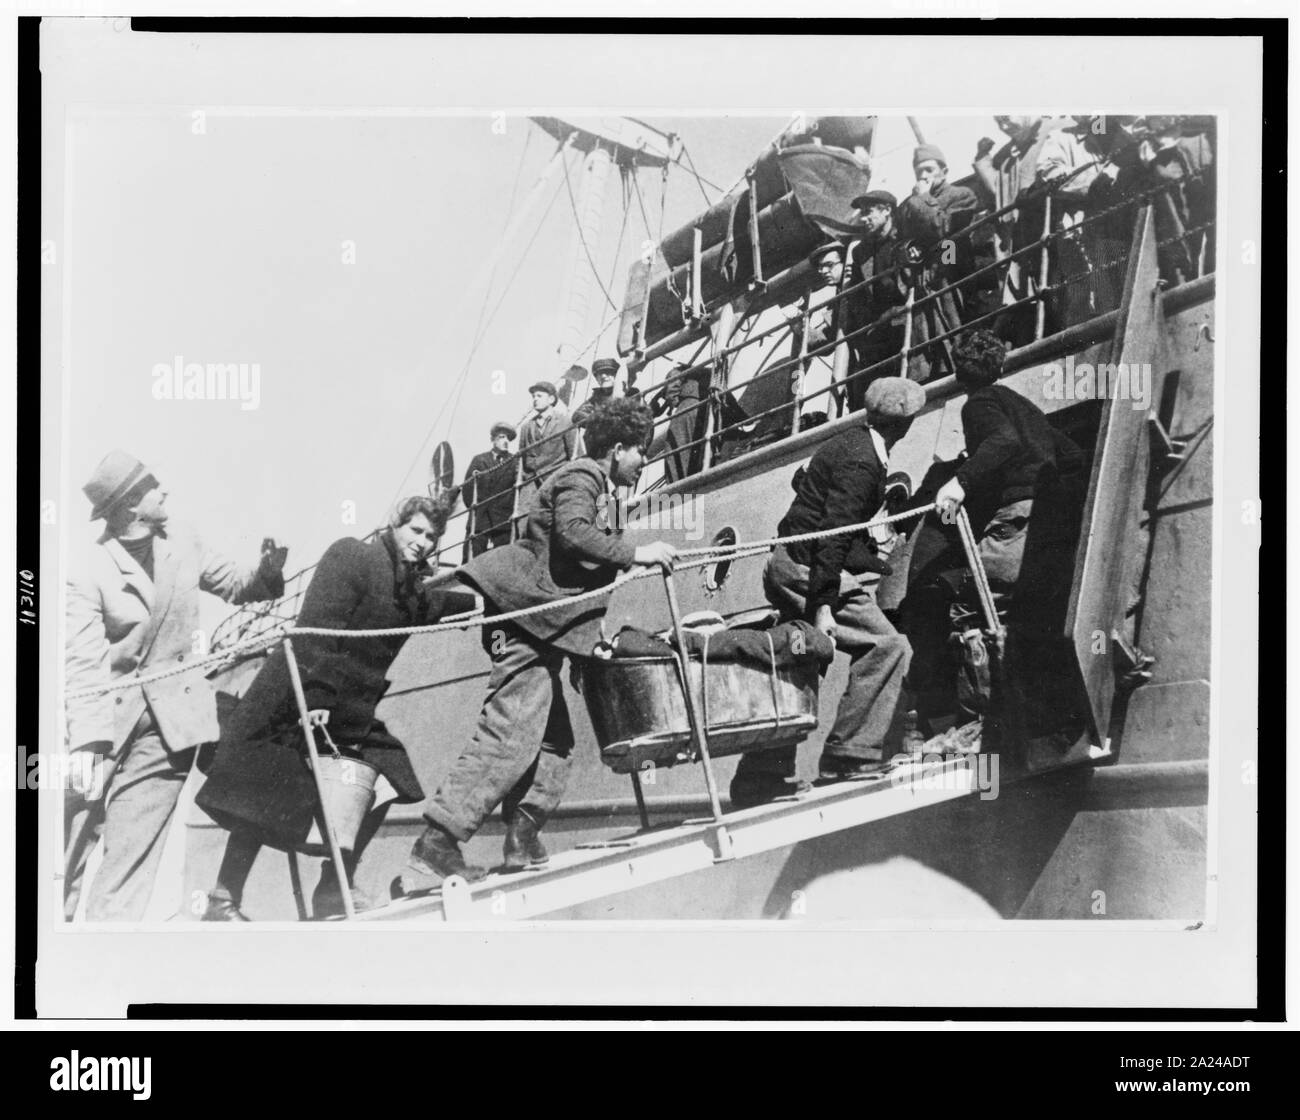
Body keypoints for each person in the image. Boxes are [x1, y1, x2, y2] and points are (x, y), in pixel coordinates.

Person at [400, 398, 678, 888]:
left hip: (542, 625)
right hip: (522, 618)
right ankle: (438, 842)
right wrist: (640, 553)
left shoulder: (594, 484)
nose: (643, 463)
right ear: (618, 449)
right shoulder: (583, 477)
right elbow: (572, 536)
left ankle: (520, 839)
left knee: (553, 741)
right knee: (511, 731)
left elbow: (575, 574)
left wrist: (579, 641)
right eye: (640, 452)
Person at [195, 496, 473, 919]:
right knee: (261, 791)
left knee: (389, 776)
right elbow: (315, 630)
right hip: (297, 692)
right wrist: (318, 698)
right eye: (415, 531)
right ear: (395, 525)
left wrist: (481, 600)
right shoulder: (352, 556)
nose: (423, 543)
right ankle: (222, 898)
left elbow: (428, 607)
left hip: (351, 706)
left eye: (431, 537)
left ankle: (332, 886)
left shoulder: (406, 585)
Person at [64, 450, 286, 921]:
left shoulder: (183, 540)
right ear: (129, 507)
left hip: (168, 733)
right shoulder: (88, 568)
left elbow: (235, 584)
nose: (166, 491)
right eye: (153, 486)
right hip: (99, 729)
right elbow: (83, 664)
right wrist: (90, 746)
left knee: (129, 862)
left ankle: (107, 960)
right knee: (63, 858)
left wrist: (266, 573)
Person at [728, 377, 926, 808]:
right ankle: (849, 755)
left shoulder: (849, 441)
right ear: (906, 424)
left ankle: (759, 775)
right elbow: (833, 535)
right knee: (887, 645)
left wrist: (875, 564)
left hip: (789, 559)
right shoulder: (863, 462)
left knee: (800, 657)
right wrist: (822, 606)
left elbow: (824, 525)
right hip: (806, 567)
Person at [926, 331, 1087, 746]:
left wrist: (961, 482)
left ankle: (983, 722)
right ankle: (1048, 714)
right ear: (1000, 366)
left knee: (970, 609)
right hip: (1047, 521)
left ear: (960, 375)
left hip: (1014, 517)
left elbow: (1002, 441)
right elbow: (1071, 456)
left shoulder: (977, 403)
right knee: (1030, 612)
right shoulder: (1025, 406)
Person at [896, 144, 980, 381]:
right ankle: (939, 371)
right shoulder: (909, 205)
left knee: (954, 317)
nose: (923, 175)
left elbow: (942, 228)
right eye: (918, 171)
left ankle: (962, 365)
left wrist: (922, 198)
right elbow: (901, 240)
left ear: (944, 170)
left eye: (929, 169)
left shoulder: (961, 195)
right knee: (925, 328)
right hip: (924, 272)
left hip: (953, 260)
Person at [846, 189, 910, 402]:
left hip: (907, 318)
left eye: (868, 212)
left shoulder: (906, 237)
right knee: (863, 391)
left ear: (887, 211)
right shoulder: (861, 252)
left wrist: (949, 263)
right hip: (878, 328)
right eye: (861, 214)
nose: (863, 219)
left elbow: (948, 249)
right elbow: (856, 296)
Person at [517, 380, 577, 515]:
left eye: (539, 396)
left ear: (551, 399)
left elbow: (574, 455)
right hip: (530, 483)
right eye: (533, 396)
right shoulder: (526, 427)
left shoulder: (565, 422)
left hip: (556, 479)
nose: (535, 399)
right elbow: (520, 459)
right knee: (522, 520)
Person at [462, 421, 518, 559]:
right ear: (492, 440)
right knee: (472, 558)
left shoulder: (514, 461)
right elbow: (467, 490)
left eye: (507, 439)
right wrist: (476, 509)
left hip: (503, 518)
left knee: (502, 562)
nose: (505, 441)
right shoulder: (479, 460)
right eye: (501, 437)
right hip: (480, 517)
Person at [571, 358, 621, 428]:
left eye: (607, 372)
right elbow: (577, 415)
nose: (603, 376)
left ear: (616, 375)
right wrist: (599, 421)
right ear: (596, 379)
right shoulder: (596, 398)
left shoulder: (630, 392)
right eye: (599, 374)